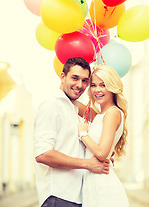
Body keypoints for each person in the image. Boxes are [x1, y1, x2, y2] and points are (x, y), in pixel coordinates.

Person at [34, 57, 110, 207]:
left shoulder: (73, 107)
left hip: (76, 197)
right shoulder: (51, 104)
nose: (79, 85)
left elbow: (102, 119)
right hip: (57, 196)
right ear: (63, 77)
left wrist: (100, 155)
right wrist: (88, 164)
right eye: (74, 78)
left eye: (85, 81)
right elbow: (42, 154)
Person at [77, 64, 129, 207]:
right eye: (93, 85)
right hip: (93, 184)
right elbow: (73, 103)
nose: (97, 90)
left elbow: (101, 152)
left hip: (103, 187)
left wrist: (83, 134)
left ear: (112, 87)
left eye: (103, 85)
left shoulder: (112, 112)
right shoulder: (100, 115)